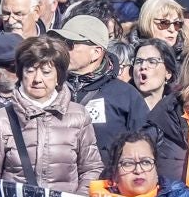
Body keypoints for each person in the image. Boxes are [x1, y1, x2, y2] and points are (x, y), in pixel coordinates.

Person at [0, 35, 100, 194]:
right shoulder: (0, 120)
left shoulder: (78, 116)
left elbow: (92, 168)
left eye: (46, 72)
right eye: (30, 71)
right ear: (21, 74)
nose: (37, 79)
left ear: (59, 76)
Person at [56, 15, 148, 160]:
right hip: (57, 180)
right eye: (61, 43)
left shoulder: (125, 94)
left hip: (105, 181)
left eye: (70, 44)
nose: (63, 49)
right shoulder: (50, 87)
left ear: (96, 52)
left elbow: (144, 145)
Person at [87, 131, 189, 197]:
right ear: (115, 173)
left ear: (156, 168)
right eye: (128, 164)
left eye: (145, 162)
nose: (138, 171)